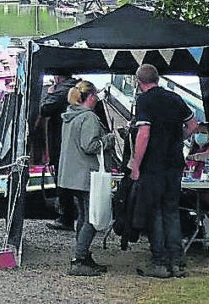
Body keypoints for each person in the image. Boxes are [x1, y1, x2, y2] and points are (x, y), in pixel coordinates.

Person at [130, 63, 198, 279]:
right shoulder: (174, 98)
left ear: (139, 82)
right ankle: (177, 261)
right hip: (174, 163)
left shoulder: (144, 100)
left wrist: (136, 165)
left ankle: (159, 262)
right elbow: (193, 124)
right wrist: (180, 139)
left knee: (155, 212)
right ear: (157, 79)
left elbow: (144, 134)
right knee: (171, 211)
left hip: (153, 165)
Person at [57, 80, 116, 276]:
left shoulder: (70, 116)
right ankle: (80, 258)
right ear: (90, 97)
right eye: (96, 96)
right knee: (92, 218)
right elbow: (89, 146)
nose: (97, 99)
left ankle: (83, 254)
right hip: (86, 175)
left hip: (71, 175)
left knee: (83, 216)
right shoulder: (89, 117)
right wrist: (109, 139)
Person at [40, 73, 80, 231]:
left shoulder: (60, 91)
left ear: (58, 76)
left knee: (62, 181)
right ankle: (77, 215)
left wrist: (49, 93)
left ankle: (66, 217)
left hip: (61, 141)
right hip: (71, 141)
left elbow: (45, 109)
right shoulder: (76, 86)